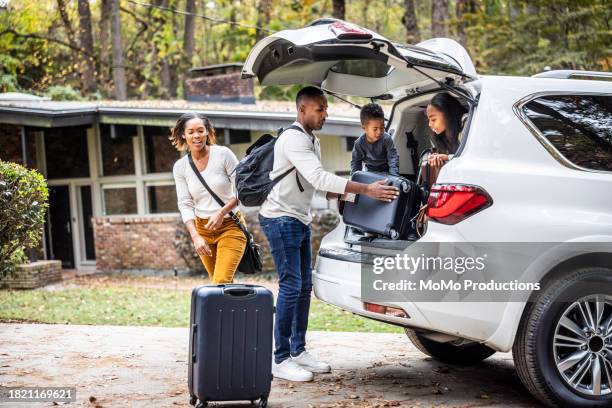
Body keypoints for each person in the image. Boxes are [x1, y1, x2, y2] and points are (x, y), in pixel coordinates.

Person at [259, 86, 399, 382]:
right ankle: (280, 358)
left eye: (325, 108)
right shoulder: (293, 139)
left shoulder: (312, 140)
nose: (326, 113)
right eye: (320, 109)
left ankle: (298, 351)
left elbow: (318, 186)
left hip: (298, 218)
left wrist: (353, 202)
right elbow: (320, 177)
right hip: (279, 218)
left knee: (304, 285)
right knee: (290, 285)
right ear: (302, 111)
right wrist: (366, 188)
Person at [171, 112, 246, 284]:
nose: (196, 135)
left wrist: (221, 212)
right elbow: (185, 203)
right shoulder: (180, 167)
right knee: (218, 285)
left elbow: (243, 190)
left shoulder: (223, 154)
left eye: (200, 130)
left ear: (207, 132)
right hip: (202, 230)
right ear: (183, 135)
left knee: (220, 281)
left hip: (230, 225)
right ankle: (231, 311)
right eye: (191, 132)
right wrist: (195, 236)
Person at [350, 103, 399, 176]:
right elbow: (355, 164)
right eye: (375, 129)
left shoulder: (387, 139)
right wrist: (354, 179)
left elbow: (393, 158)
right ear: (364, 128)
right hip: (370, 174)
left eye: (382, 128)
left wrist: (394, 176)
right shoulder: (359, 144)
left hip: (387, 173)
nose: (379, 132)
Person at [425, 92, 468, 171]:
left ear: (448, 114)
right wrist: (439, 157)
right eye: (429, 120)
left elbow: (471, 158)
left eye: (433, 119)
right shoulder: (443, 135)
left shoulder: (466, 123)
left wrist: (448, 157)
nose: (429, 124)